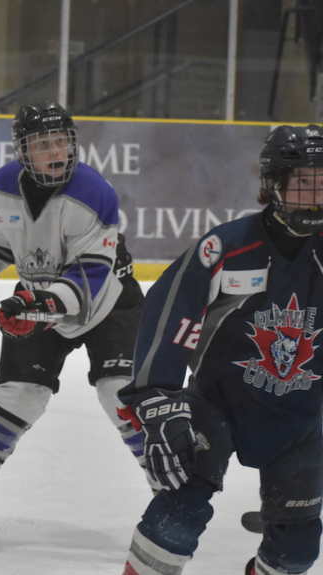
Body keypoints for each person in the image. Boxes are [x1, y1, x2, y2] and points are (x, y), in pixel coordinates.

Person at [118, 125, 323, 575]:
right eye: (305, 182)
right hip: (219, 404)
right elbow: (170, 311)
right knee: (178, 514)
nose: (316, 195)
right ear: (273, 185)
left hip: (301, 418)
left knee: (298, 550)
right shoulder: (227, 248)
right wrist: (156, 397)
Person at [0, 102, 146, 546]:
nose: (56, 151)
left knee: (122, 393)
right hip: (40, 295)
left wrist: (38, 304)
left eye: (61, 141)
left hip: (110, 298)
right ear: (22, 151)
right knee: (20, 396)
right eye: (43, 144)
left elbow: (91, 275)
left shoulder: (94, 193)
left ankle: (169, 490)